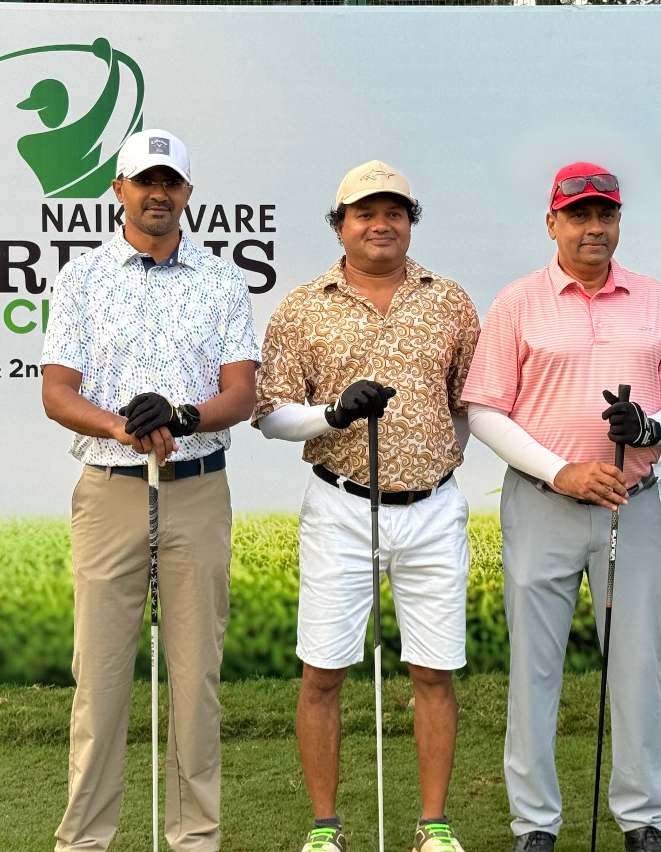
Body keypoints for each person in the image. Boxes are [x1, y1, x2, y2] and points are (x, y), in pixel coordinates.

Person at [463, 161, 661, 852]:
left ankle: (643, 818)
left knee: (635, 664)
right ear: (553, 223)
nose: (593, 227)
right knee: (533, 667)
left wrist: (651, 428)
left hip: (634, 504)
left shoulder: (655, 299)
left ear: (618, 221)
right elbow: (484, 410)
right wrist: (561, 471)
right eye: (578, 215)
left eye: (605, 214)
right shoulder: (518, 302)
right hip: (543, 502)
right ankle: (535, 824)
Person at [41, 128, 261, 852]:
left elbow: (241, 393)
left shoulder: (222, 281)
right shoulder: (81, 279)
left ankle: (196, 840)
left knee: (196, 681)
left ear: (187, 193)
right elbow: (57, 392)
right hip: (111, 490)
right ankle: (84, 841)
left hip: (197, 487)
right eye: (144, 181)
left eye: (169, 182)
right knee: (100, 682)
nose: (157, 194)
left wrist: (183, 416)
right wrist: (123, 427)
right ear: (119, 190)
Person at [251, 159, 480, 852]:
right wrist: (333, 414)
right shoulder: (302, 306)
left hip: (433, 509)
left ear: (410, 222)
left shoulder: (450, 301)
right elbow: (270, 414)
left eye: (394, 212)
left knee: (433, 671)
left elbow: (467, 403)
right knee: (323, 671)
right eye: (365, 213)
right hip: (342, 508)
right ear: (340, 224)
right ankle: (325, 827)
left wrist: (439, 459)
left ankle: (434, 826)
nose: (381, 224)